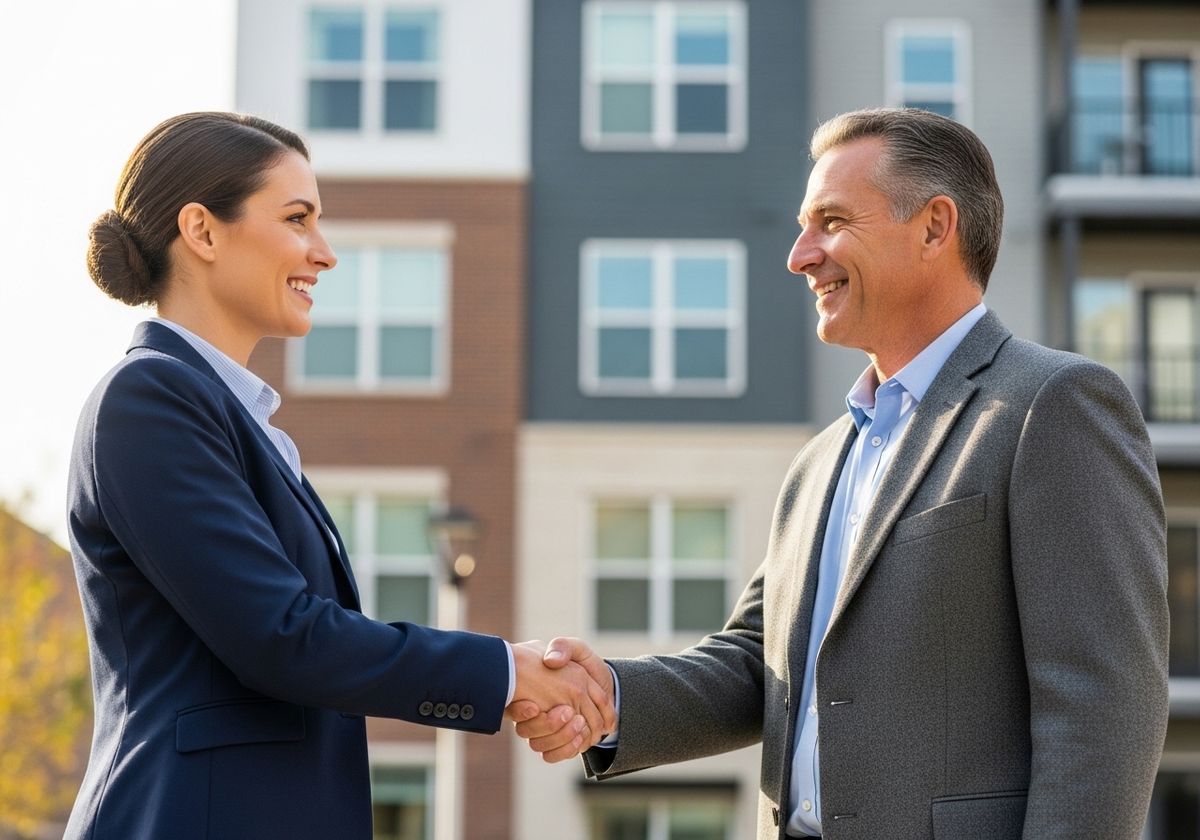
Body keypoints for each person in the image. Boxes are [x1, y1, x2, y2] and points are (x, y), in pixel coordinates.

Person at [512, 107, 1169, 839]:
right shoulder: (821, 458)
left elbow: (1103, 707)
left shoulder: (1053, 407)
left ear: (934, 227)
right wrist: (611, 694)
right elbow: (761, 667)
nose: (799, 255)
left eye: (831, 221)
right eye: (802, 225)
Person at [66, 111, 612, 839]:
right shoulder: (148, 400)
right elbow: (283, 637)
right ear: (201, 231)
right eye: (297, 219)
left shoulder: (236, 418)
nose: (323, 253)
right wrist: (505, 673)